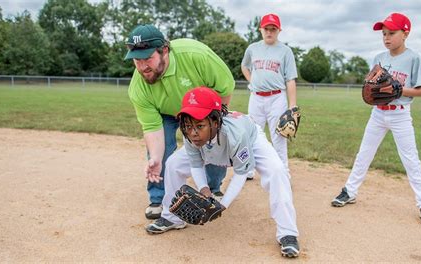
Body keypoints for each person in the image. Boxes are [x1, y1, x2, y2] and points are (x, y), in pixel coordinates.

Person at [145, 87, 301, 258]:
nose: (193, 132)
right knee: (173, 164)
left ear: (216, 122)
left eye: (199, 125)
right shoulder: (191, 132)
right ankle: (172, 218)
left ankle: (288, 232)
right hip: (213, 144)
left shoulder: (236, 135)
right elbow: (196, 164)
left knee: (277, 171)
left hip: (250, 140)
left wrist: (223, 204)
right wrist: (204, 189)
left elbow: (241, 173)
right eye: (188, 126)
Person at [331, 13, 421, 227]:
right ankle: (349, 191)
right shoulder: (379, 57)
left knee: (410, 159)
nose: (387, 38)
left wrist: (397, 89)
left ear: (405, 34)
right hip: (378, 113)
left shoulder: (413, 58)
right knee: (364, 154)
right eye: (384, 34)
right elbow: (371, 86)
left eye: (392, 33)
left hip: (400, 114)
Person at [125, 24, 235, 220]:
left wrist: (215, 121)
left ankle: (212, 188)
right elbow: (152, 127)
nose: (142, 67)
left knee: (213, 142)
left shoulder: (196, 55)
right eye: (136, 60)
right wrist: (156, 158)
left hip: (201, 108)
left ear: (164, 50)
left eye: (148, 58)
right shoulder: (138, 86)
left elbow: (225, 87)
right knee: (159, 153)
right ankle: (159, 197)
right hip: (165, 112)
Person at [241, 13, 298, 178]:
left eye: (273, 29)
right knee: (252, 133)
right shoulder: (252, 48)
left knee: (279, 136)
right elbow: (244, 66)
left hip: (277, 98)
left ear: (279, 31)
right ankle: (249, 169)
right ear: (261, 30)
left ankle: (283, 172)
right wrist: (252, 81)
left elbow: (290, 79)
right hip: (256, 97)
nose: (269, 32)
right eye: (266, 28)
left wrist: (292, 105)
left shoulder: (285, 51)